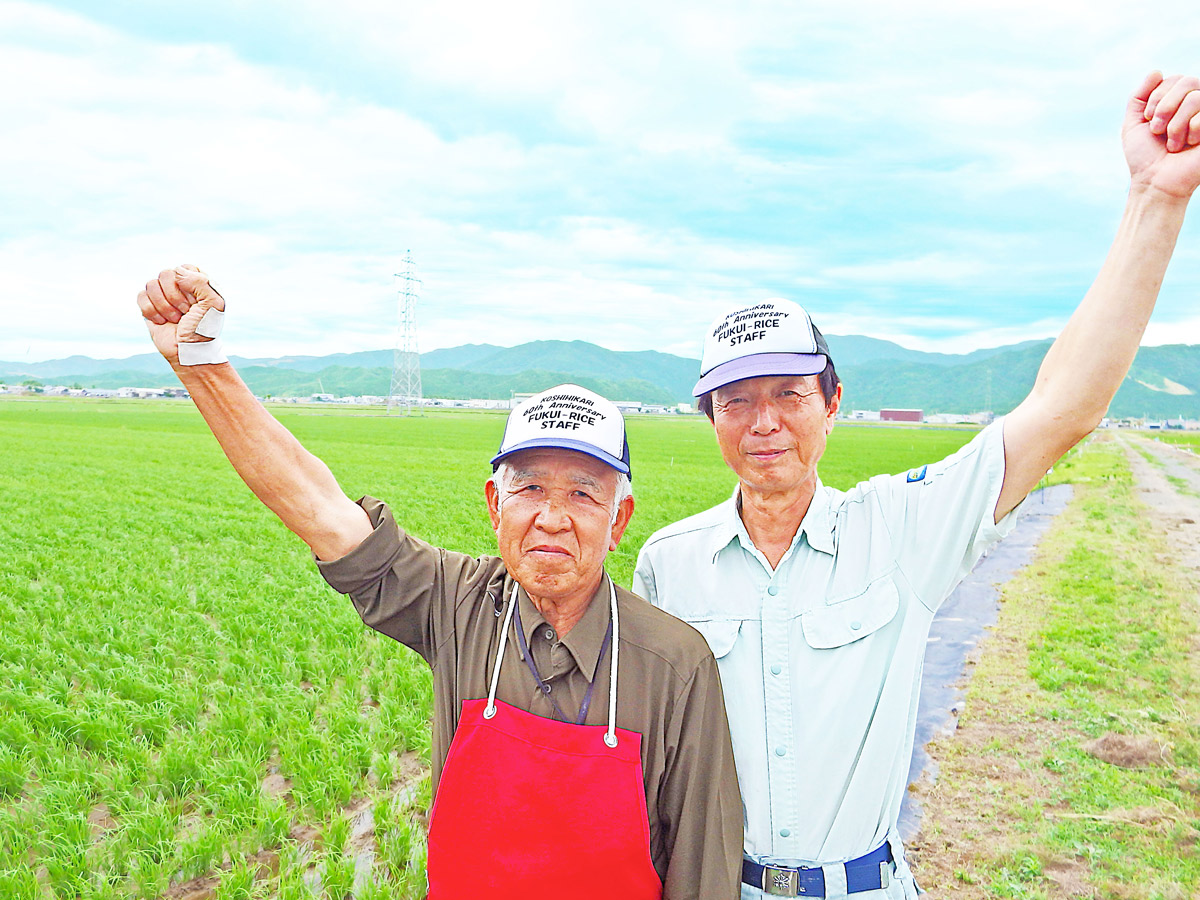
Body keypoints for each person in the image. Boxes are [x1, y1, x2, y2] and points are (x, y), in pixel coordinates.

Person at [633, 70, 1200, 899]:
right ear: (709, 419)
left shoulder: (901, 528)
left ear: (831, 404)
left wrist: (1156, 197)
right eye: (736, 402)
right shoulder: (668, 563)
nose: (764, 424)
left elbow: (1062, 411)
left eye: (789, 395)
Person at [135, 276, 743, 900]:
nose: (552, 517)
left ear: (619, 520)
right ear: (494, 506)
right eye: (529, 488)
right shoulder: (458, 603)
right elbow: (316, 504)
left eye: (584, 494)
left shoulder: (674, 663)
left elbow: (704, 874)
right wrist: (201, 365)